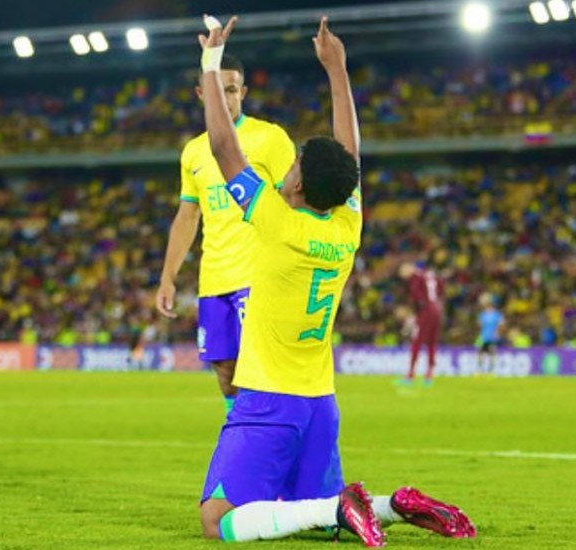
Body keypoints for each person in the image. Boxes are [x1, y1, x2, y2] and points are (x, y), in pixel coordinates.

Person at [196, 15, 476, 545]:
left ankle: (350, 508)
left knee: (218, 522)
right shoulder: (347, 225)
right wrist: (337, 70)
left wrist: (211, 62)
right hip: (320, 403)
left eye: (293, 164)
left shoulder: (277, 221)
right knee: (310, 508)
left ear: (298, 182)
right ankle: (394, 505)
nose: (285, 170)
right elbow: (350, 154)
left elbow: (221, 146)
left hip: (268, 400)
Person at [155, 52, 296, 412]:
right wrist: (168, 277)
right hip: (214, 279)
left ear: (244, 92)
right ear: (202, 94)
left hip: (260, 276)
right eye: (218, 90)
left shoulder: (270, 139)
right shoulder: (193, 152)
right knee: (225, 372)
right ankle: (241, 437)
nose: (227, 98)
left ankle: (267, 447)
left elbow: (294, 203)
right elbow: (187, 217)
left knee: (263, 371)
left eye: (232, 90)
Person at [398, 261, 445, 386]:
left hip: (426, 310)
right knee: (432, 342)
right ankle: (429, 375)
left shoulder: (415, 279)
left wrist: (417, 311)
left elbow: (416, 295)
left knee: (416, 341)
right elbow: (441, 287)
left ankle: (410, 375)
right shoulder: (429, 275)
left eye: (403, 273)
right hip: (437, 309)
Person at [477, 293, 504, 374]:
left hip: (492, 337)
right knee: (480, 353)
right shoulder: (482, 314)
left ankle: (490, 371)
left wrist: (497, 332)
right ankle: (481, 370)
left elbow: (501, 324)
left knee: (492, 354)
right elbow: (480, 325)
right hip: (483, 337)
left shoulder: (497, 314)